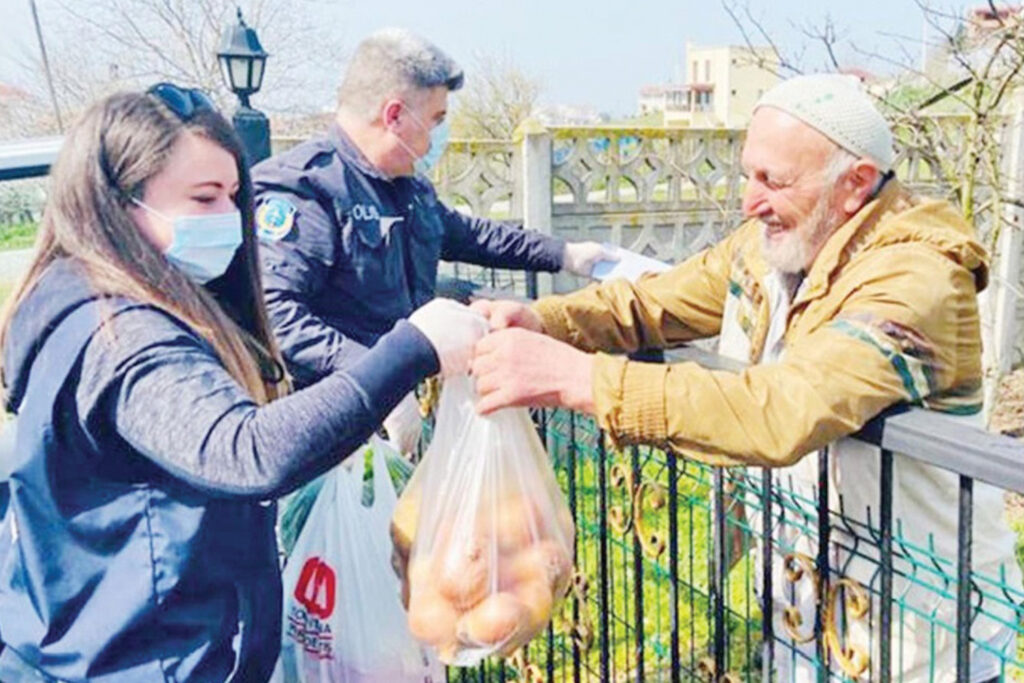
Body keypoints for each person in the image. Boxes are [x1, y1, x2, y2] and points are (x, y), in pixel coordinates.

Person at [471, 74, 1021, 681]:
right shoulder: (768, 248)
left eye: (773, 181)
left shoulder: (916, 279)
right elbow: (658, 300)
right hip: (808, 617)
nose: (749, 202)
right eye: (747, 175)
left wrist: (584, 381)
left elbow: (787, 407)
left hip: (917, 640)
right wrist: (544, 320)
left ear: (856, 184)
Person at [0, 84, 485, 682]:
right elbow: (245, 450)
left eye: (233, 196)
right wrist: (412, 350)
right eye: (204, 198)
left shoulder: (73, 297)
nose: (229, 219)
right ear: (119, 204)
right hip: (137, 661)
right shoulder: (123, 336)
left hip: (99, 643)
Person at [251, 27, 611, 454]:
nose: (441, 133)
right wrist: (371, 377)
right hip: (320, 423)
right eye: (437, 119)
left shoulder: (406, 188)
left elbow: (471, 236)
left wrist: (566, 255)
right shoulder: (307, 189)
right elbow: (276, 315)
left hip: (393, 414)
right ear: (394, 116)